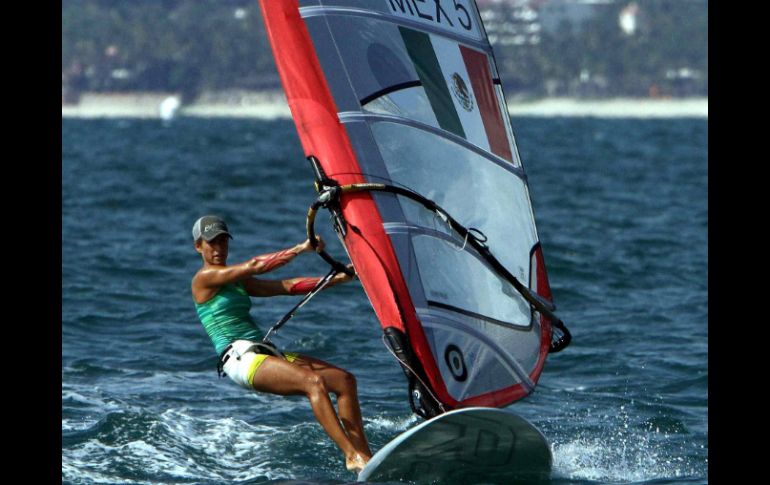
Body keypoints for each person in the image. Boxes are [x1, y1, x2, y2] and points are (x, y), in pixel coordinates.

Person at [190, 215, 372, 472]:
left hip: (263, 352)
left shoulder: (235, 280)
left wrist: (338, 279)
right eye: (212, 243)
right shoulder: (204, 278)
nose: (218, 248)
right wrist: (301, 248)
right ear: (199, 247)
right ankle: (351, 456)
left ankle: (365, 457)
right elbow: (255, 265)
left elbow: (287, 286)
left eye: (223, 241)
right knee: (313, 382)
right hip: (240, 360)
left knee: (344, 381)